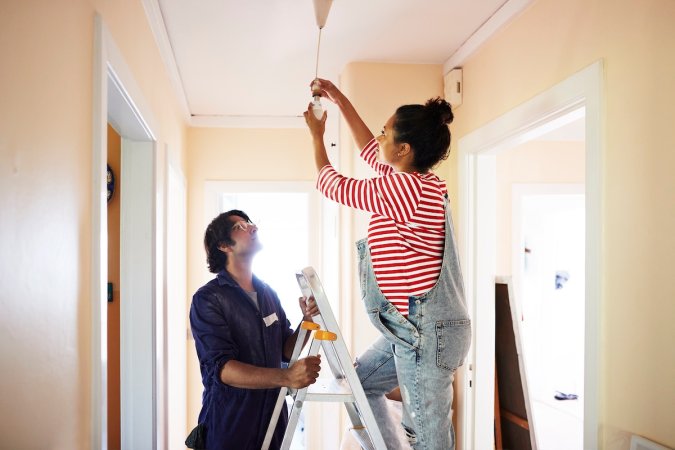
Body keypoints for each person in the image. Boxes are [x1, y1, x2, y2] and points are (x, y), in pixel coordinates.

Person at [304, 79, 471, 450]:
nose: (378, 139)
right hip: (414, 328)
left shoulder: (404, 190)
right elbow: (369, 150)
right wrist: (340, 99)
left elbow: (331, 184)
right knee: (360, 384)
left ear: (403, 149)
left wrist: (317, 134)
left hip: (426, 333)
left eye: (385, 133)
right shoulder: (414, 181)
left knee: (428, 440)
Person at [187, 209, 321, 450]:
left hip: (273, 419)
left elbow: (286, 351)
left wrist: (307, 321)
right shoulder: (209, 299)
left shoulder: (267, 292)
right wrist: (287, 377)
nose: (253, 227)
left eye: (250, 223)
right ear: (223, 246)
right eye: (240, 227)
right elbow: (223, 370)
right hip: (231, 423)